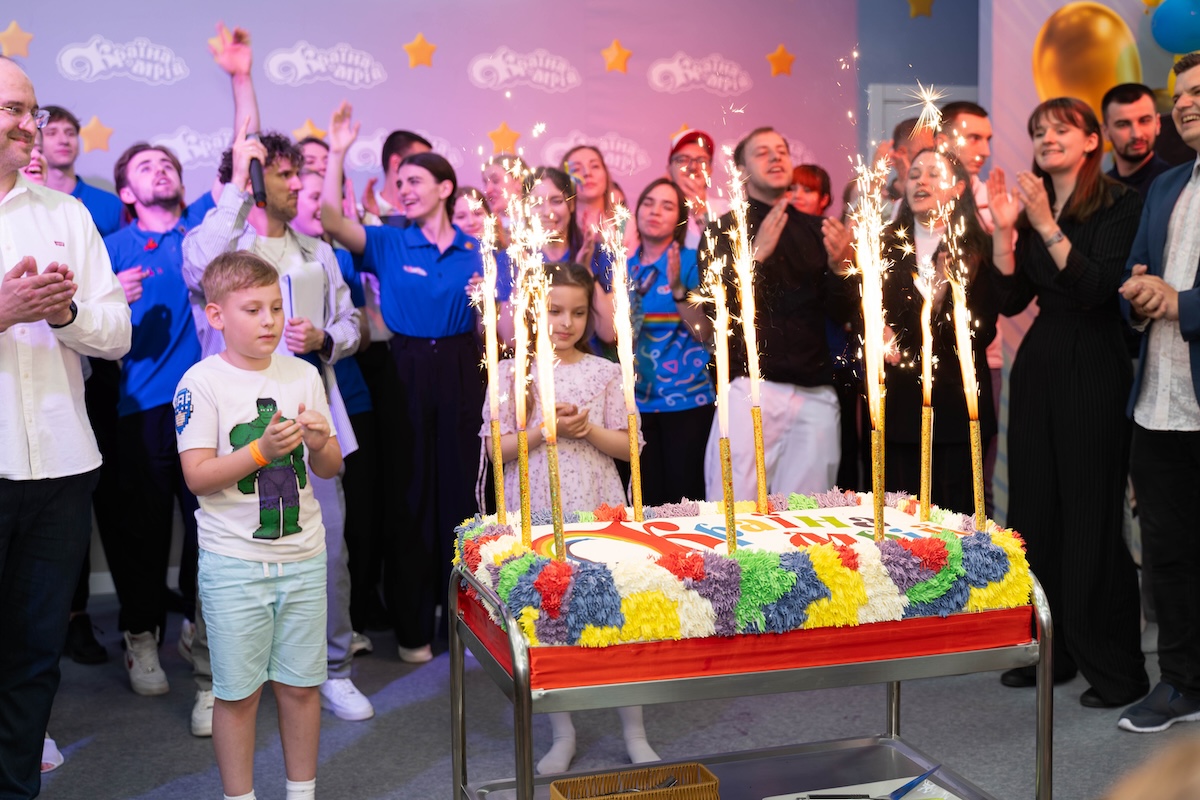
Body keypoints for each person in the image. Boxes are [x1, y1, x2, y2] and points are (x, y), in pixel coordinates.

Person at [183, 121, 373, 723]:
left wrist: (325, 338)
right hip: (234, 425)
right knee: (226, 550)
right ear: (254, 180)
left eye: (298, 174)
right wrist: (240, 188)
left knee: (329, 547)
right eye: (284, 174)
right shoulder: (223, 244)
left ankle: (334, 669)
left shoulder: (317, 251)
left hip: (308, 412)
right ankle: (213, 681)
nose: (297, 184)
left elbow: (353, 324)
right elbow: (198, 264)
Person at [988, 97, 1148, 708]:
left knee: (1090, 514)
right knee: (1033, 509)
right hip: (1041, 361)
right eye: (1038, 130)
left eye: (1061, 128)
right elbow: (1009, 299)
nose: (1047, 137)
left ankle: (1114, 668)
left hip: (1094, 359)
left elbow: (1097, 288)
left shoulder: (1119, 202)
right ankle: (1049, 651)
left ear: (1090, 141)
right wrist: (1005, 230)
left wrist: (1044, 225)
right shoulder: (1033, 204)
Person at [0, 56, 131, 799]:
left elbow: (116, 332)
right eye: (13, 109)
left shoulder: (67, 215)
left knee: (34, 653)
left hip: (61, 464)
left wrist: (65, 313)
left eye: (34, 109)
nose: (30, 124)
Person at [321, 101, 484, 664]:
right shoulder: (388, 241)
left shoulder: (479, 250)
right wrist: (337, 152)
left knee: (462, 493)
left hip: (463, 367)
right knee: (409, 495)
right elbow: (330, 220)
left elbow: (505, 327)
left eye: (415, 181)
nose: (404, 190)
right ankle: (415, 629)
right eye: (399, 183)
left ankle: (466, 623)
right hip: (406, 369)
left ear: (445, 188)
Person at [176, 250, 341, 800]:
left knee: (301, 687)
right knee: (238, 694)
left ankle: (302, 793)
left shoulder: (304, 373)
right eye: (253, 310)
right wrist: (261, 452)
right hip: (235, 564)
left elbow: (329, 466)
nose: (269, 320)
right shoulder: (201, 382)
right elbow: (198, 477)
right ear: (217, 316)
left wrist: (319, 441)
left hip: (303, 558)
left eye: (275, 307)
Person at [482, 262, 657, 775]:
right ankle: (563, 733)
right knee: (550, 614)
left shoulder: (606, 373)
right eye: (555, 311)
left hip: (596, 504)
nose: (566, 322)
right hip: (536, 507)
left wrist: (587, 431)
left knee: (617, 607)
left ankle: (635, 731)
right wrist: (543, 430)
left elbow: (631, 447)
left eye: (578, 313)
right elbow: (495, 451)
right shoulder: (511, 374)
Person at [1113, 52, 1200, 734]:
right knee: (1168, 556)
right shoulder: (1167, 184)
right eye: (1181, 94)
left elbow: (1180, 297)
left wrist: (1182, 304)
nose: (1186, 102)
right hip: (1158, 404)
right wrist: (1139, 298)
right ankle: (1181, 682)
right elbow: (1135, 273)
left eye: (1199, 91)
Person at [102, 142, 207, 696]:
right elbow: (79, 328)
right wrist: (109, 298)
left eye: (167, 164)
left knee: (207, 527)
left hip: (207, 407)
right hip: (141, 410)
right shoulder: (111, 248)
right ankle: (140, 636)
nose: (160, 170)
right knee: (143, 532)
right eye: (145, 166)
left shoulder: (204, 240)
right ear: (126, 191)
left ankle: (194, 626)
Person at [700, 126, 854, 501]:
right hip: (751, 388)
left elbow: (843, 314)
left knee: (809, 513)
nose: (775, 157)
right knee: (734, 508)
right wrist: (755, 259)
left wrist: (841, 269)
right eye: (762, 152)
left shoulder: (820, 230)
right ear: (741, 171)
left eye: (782, 151)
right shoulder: (723, 231)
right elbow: (717, 312)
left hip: (815, 393)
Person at [881, 150, 999, 512]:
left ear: (958, 188)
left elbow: (982, 332)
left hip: (957, 411)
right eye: (915, 173)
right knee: (899, 518)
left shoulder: (977, 246)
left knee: (955, 519)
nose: (921, 181)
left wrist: (937, 306)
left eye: (934, 173)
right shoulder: (884, 243)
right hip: (899, 407)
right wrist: (879, 329)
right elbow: (867, 316)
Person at [292, 169, 380, 649]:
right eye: (303, 193)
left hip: (339, 399)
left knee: (344, 526)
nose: (314, 204)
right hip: (280, 405)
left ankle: (342, 638)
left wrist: (322, 338)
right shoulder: (250, 251)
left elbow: (357, 330)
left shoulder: (332, 256)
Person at [627, 178, 713, 504]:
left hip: (688, 401)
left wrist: (679, 290)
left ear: (679, 219)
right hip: (637, 403)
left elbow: (703, 333)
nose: (655, 212)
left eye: (667, 206)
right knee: (646, 500)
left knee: (685, 499)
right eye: (648, 203)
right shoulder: (625, 267)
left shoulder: (692, 261)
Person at [40, 105, 125, 235]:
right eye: (51, 133)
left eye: (70, 133)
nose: (64, 141)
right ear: (35, 142)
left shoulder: (110, 205)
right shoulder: (24, 203)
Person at [1102, 83, 1172, 199]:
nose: (1136, 134)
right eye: (1123, 124)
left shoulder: (1175, 185)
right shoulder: (1096, 193)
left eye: (1144, 121)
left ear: (1158, 124)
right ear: (1106, 131)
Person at [667, 129, 728, 250]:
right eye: (683, 159)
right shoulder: (654, 210)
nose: (693, 166)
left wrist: (701, 212)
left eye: (701, 161)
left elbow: (724, 254)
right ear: (669, 168)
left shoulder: (726, 210)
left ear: (710, 170)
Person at [364, 129, 432, 219]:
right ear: (396, 163)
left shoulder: (428, 214)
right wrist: (372, 217)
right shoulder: (361, 215)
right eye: (422, 162)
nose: (430, 170)